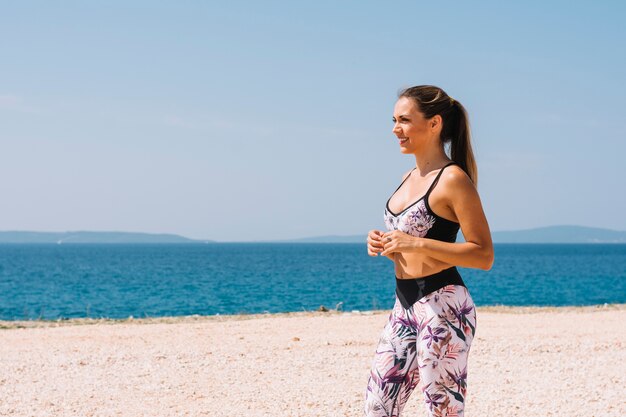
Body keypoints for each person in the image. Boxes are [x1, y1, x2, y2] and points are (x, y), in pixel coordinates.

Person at [364, 85, 494, 417]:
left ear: (434, 123)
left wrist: (415, 243)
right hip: (403, 304)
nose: (396, 129)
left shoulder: (453, 180)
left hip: (444, 307)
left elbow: (483, 254)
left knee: (442, 411)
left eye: (405, 120)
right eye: (394, 120)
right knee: (377, 407)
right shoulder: (408, 177)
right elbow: (409, 241)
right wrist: (386, 244)